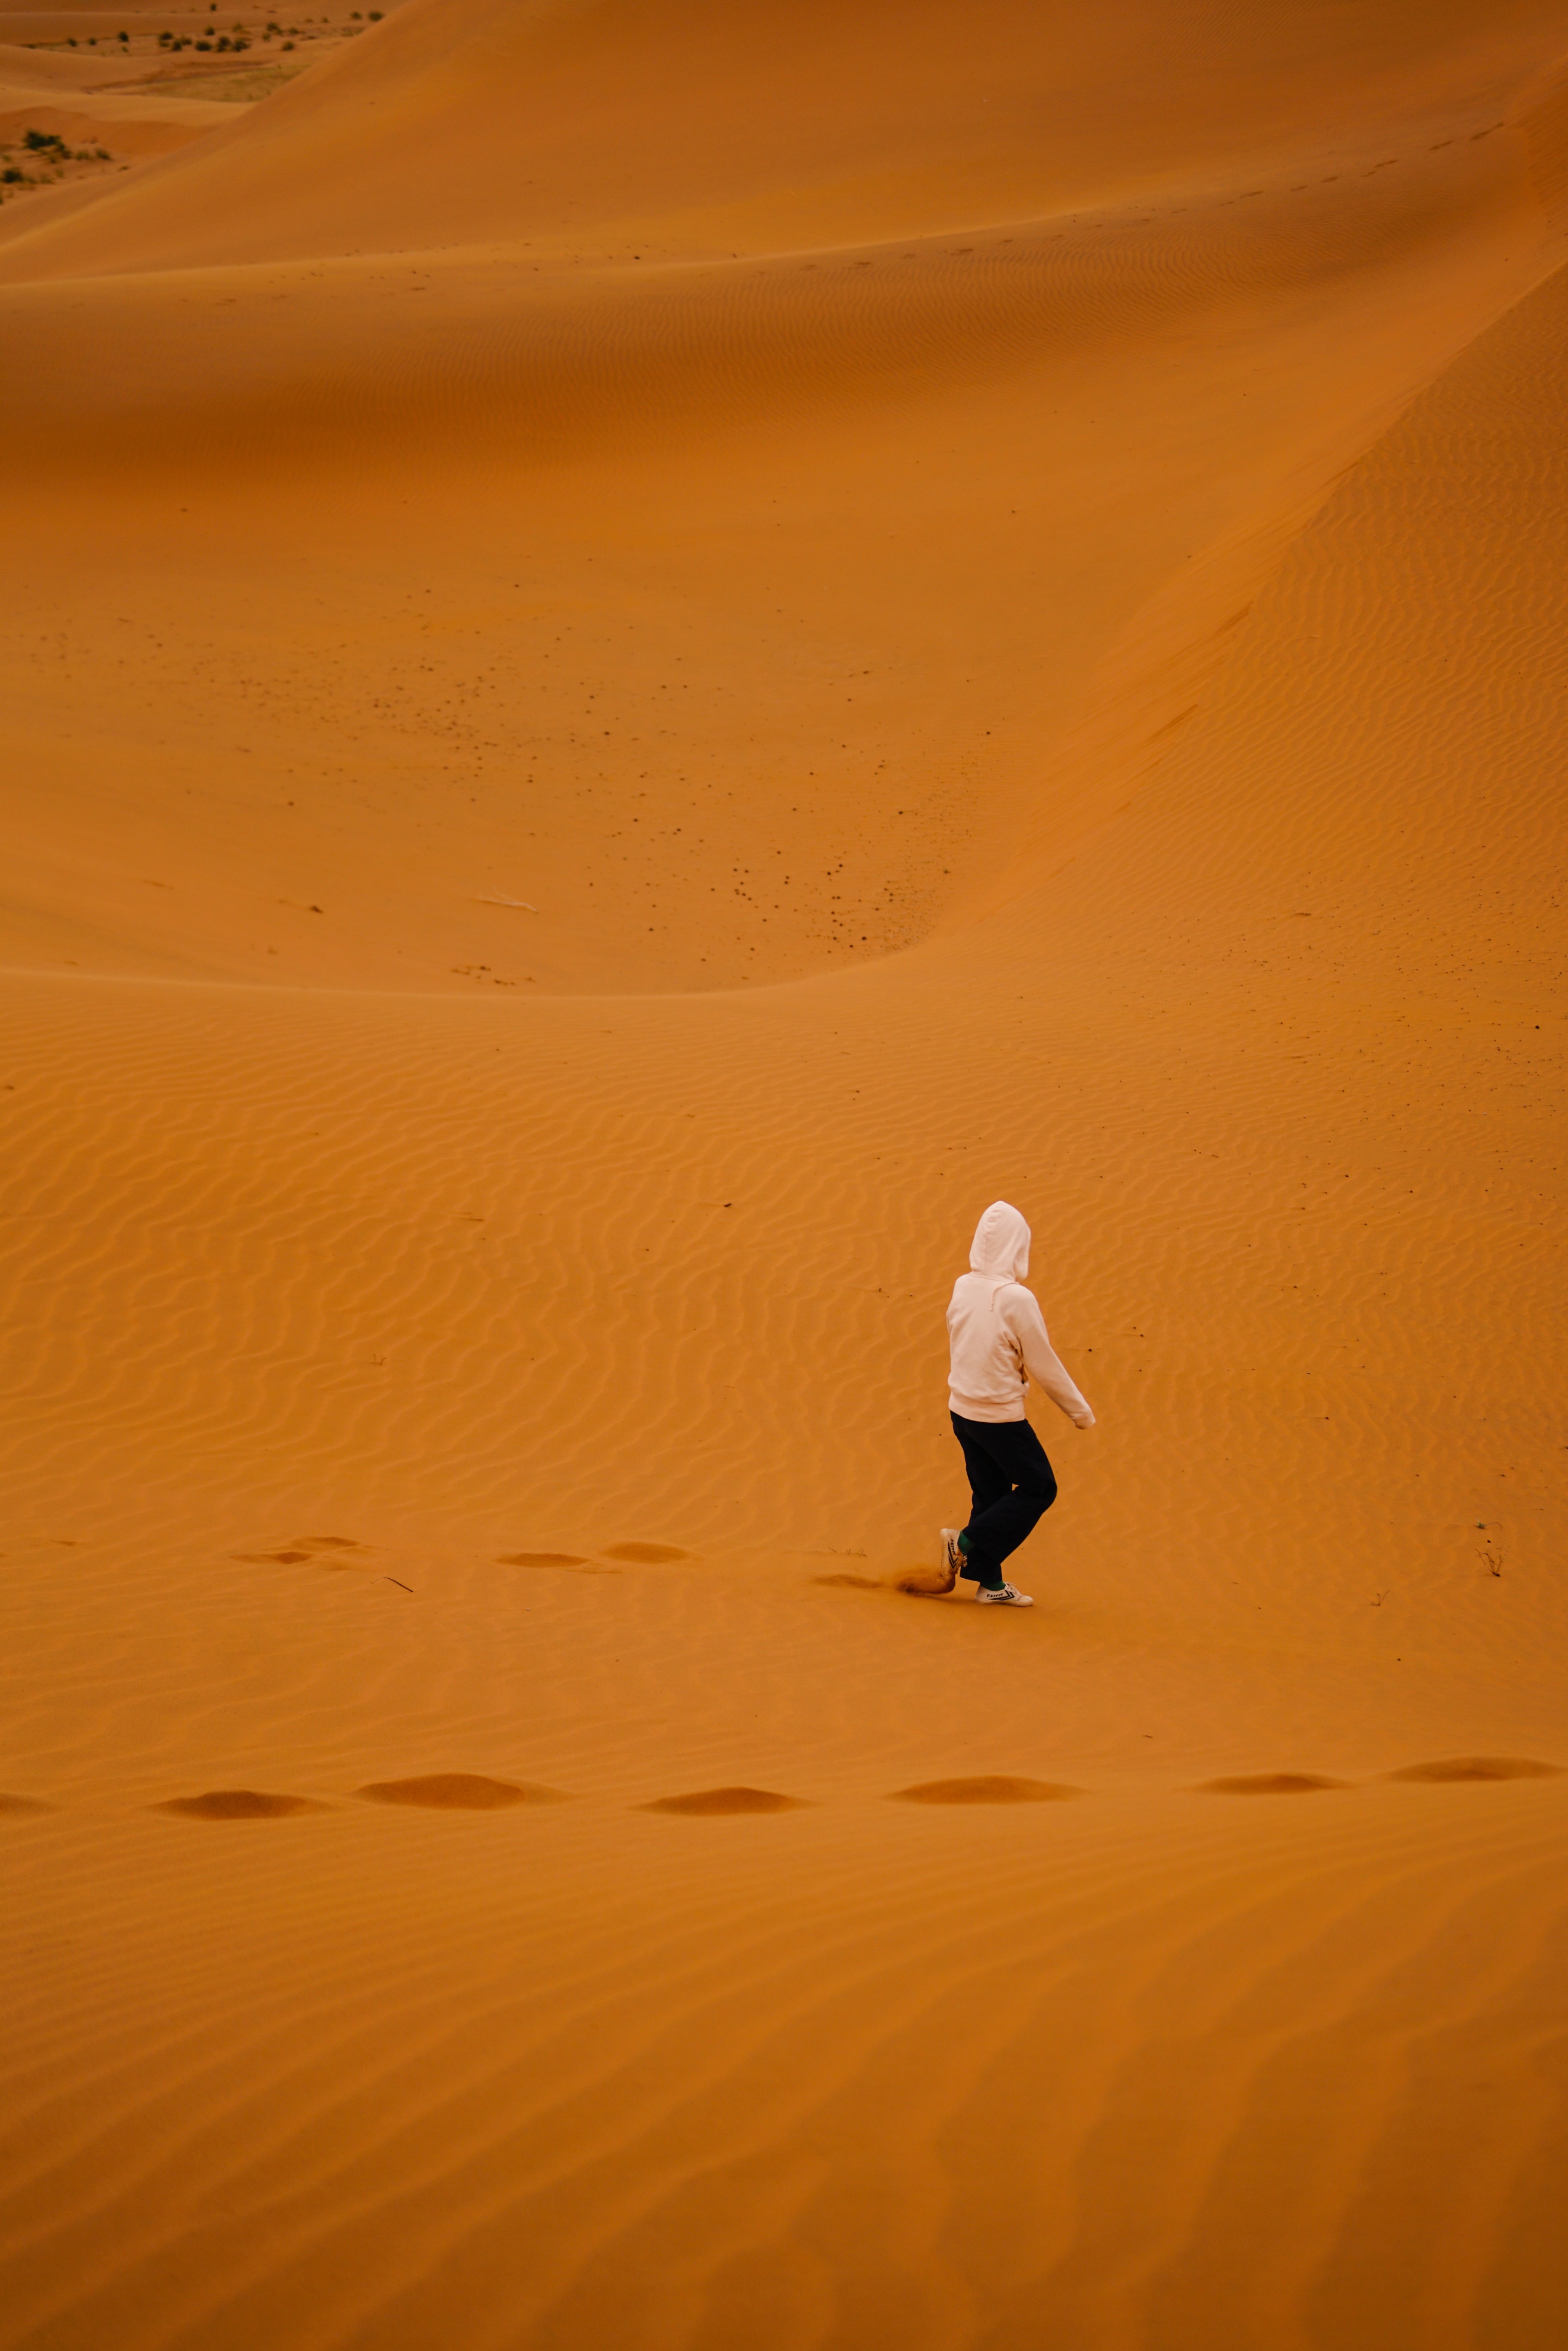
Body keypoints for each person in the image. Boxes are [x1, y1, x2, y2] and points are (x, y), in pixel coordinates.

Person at [939, 1200, 1095, 1605]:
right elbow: (1044, 1364)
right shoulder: (1016, 1299)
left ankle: (990, 1586)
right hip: (997, 1416)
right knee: (1038, 1488)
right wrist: (1079, 1412)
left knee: (990, 1495)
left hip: (962, 1410)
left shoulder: (963, 1285)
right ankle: (965, 1542)